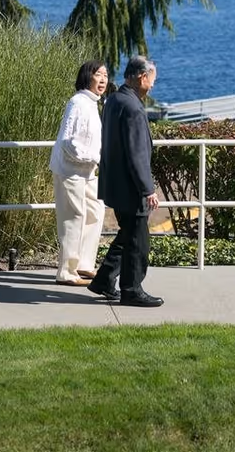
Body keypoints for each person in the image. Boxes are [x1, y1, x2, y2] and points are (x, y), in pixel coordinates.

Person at [88, 56, 164, 307]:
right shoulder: (132, 107)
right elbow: (137, 153)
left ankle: (103, 280)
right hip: (131, 187)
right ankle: (132, 289)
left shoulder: (114, 100)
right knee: (138, 242)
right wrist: (148, 189)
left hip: (117, 184)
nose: (152, 85)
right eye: (152, 80)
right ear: (142, 77)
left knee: (128, 235)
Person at [50, 60, 108, 286]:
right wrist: (90, 157)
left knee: (96, 211)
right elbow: (67, 140)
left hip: (87, 171)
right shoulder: (77, 102)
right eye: (98, 74)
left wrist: (94, 161)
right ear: (87, 76)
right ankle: (66, 271)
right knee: (73, 217)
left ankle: (83, 263)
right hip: (70, 170)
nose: (103, 79)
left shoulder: (92, 103)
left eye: (106, 75)